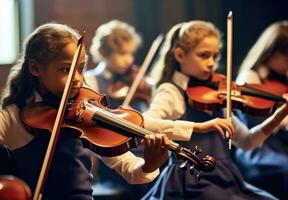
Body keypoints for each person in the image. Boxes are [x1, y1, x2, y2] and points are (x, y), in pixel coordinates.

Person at [0, 23, 170, 200]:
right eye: (66, 70)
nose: (78, 79)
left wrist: (149, 165)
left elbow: (128, 167)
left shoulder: (83, 114)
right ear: (35, 68)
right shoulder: (12, 116)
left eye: (81, 69)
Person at [141, 20, 288, 200]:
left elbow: (248, 142)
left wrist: (280, 114)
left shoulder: (216, 95)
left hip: (225, 178)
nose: (211, 63)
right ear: (179, 55)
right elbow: (145, 123)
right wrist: (200, 127)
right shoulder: (172, 92)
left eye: (215, 56)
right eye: (204, 55)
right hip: (192, 181)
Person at [85, 20, 156, 199]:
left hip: (146, 151)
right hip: (114, 158)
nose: (129, 60)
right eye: (122, 53)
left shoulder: (138, 80)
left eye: (131, 53)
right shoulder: (91, 81)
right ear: (103, 53)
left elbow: (154, 115)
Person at [233, 20, 288, 200]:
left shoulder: (286, 77)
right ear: (272, 52)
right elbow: (252, 123)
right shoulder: (250, 78)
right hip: (259, 146)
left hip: (283, 143)